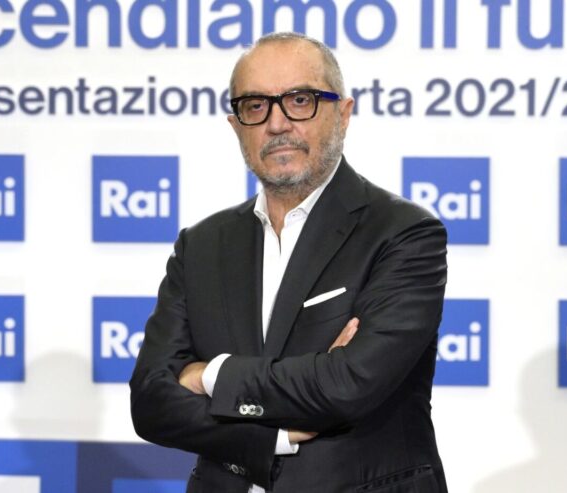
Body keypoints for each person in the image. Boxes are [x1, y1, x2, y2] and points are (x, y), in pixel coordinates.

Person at [130, 32, 449, 492]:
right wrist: (269, 437)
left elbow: (348, 385)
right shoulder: (200, 245)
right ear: (236, 125)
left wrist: (209, 375)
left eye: (300, 100)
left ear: (343, 113)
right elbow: (151, 403)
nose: (277, 123)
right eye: (255, 105)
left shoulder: (404, 233)